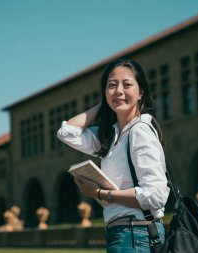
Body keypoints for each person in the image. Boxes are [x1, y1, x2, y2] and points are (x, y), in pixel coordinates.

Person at [57, 58, 169, 252]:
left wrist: (100, 194)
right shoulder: (111, 136)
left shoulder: (139, 130)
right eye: (112, 85)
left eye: (127, 85)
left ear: (141, 92)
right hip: (123, 233)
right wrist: (106, 104)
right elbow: (66, 133)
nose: (118, 90)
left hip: (135, 234)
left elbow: (155, 195)